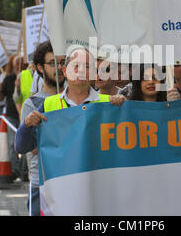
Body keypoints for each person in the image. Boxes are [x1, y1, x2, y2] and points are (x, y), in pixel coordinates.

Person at [15, 47, 124, 215]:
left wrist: (124, 109)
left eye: (87, 66)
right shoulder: (47, 105)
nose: (81, 70)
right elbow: (21, 147)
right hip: (58, 192)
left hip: (97, 192)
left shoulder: (109, 104)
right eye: (76, 65)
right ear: (65, 71)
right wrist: (27, 126)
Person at [16, 41, 65, 216]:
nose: (59, 68)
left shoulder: (73, 99)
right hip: (41, 182)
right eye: (53, 63)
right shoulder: (33, 104)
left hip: (71, 178)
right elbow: (32, 148)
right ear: (40, 67)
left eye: (62, 62)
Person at [0, 55, 22, 179]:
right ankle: (16, 169)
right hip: (11, 115)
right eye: (16, 62)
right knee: (12, 145)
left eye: (21, 62)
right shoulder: (8, 79)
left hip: (24, 114)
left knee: (25, 145)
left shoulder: (27, 76)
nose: (19, 64)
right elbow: (1, 97)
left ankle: (23, 171)